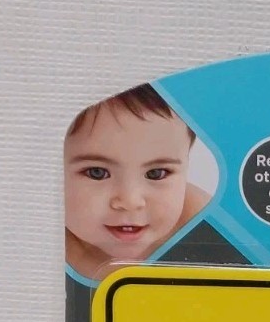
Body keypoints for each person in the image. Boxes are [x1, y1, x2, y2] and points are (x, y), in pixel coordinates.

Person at [64, 84, 210, 281]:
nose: (130, 201)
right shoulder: (42, 243)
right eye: (97, 173)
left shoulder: (204, 226)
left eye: (156, 173)